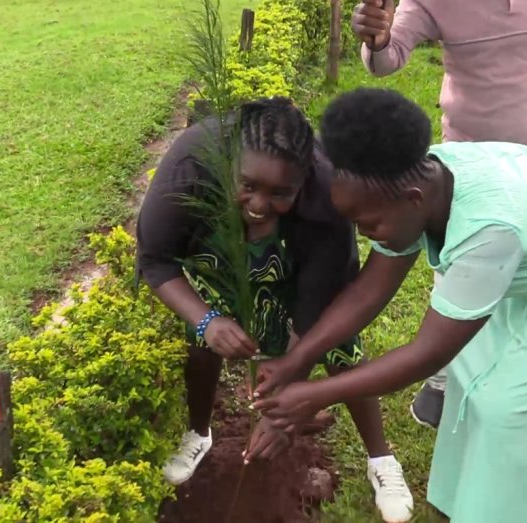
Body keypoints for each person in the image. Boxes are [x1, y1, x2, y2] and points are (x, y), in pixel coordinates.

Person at [252, 87, 527, 522]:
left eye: (368, 224)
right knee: (470, 381)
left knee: (509, 412)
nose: (364, 235)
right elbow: (369, 290)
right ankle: (469, 505)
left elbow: (427, 354)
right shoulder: (413, 177)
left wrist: (315, 394)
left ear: (413, 201)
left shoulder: (488, 228)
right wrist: (300, 359)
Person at [135, 97, 413, 523]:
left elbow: (319, 301)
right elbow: (154, 260)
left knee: (340, 348)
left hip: (298, 256)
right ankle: (199, 434)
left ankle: (381, 460)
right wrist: (208, 321)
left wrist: (288, 394)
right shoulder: (189, 169)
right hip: (218, 248)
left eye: (280, 193)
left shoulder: (326, 195)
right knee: (203, 341)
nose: (260, 204)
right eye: (248, 185)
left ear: (303, 181)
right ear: (230, 164)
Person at [351, 0, 527, 427]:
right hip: (470, 172)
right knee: (462, 261)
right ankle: (443, 379)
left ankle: (508, 372)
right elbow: (387, 58)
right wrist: (376, 39)